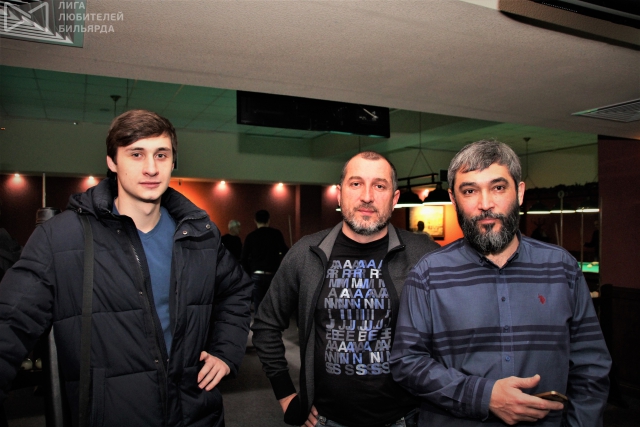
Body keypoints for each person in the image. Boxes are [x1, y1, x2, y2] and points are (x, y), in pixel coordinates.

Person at [0, 110, 252, 426]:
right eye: (136, 154)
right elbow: (9, 323)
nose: (151, 168)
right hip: (113, 414)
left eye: (161, 155)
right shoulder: (61, 239)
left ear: (173, 162)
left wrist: (225, 351)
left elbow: (237, 291)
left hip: (195, 414)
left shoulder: (199, 234)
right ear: (112, 161)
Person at [390, 140, 611, 427]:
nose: (485, 204)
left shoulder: (562, 268)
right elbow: (407, 364)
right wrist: (484, 396)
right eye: (470, 191)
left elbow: (591, 366)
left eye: (498, 187)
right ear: (454, 199)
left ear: (519, 192)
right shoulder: (427, 274)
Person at [252, 151, 440, 427]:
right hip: (327, 420)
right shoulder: (306, 253)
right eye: (356, 184)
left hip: (406, 418)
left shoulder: (424, 254)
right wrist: (286, 395)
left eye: (379, 186)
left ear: (394, 198)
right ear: (339, 195)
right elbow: (266, 324)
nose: (367, 196)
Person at [241, 209, 288, 313]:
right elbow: (286, 252)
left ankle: (259, 322)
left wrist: (250, 273)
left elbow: (243, 258)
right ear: (269, 220)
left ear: (255, 220)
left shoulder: (251, 236)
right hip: (272, 274)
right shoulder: (276, 234)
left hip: (256, 274)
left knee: (258, 305)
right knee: (272, 306)